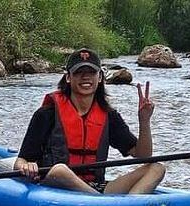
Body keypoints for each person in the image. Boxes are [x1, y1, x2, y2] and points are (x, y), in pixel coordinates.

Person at [13, 48, 165, 194]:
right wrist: (27, 166)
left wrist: (144, 121)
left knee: (157, 168)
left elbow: (143, 155)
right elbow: (20, 162)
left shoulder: (108, 115)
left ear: (99, 77)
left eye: (91, 72)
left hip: (95, 186)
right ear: (68, 77)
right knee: (60, 170)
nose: (85, 77)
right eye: (79, 72)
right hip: (54, 185)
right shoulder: (47, 114)